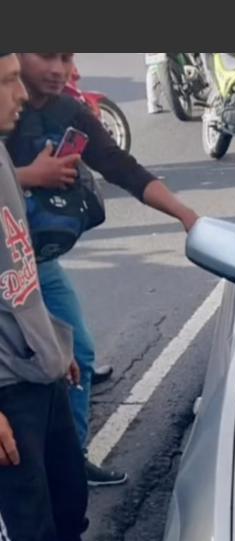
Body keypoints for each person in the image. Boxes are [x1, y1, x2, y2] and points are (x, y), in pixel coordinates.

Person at [5, 53, 201, 487]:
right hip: (6, 267)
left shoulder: (69, 111)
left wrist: (186, 216)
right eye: (46, 57)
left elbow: (121, 168)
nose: (59, 69)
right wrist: (30, 175)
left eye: (67, 57)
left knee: (78, 356)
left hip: (38, 262)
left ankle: (70, 463)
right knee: (18, 377)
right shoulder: (4, 109)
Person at [0, 52, 88, 541]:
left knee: (67, 519)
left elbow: (17, 268)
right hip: (8, 398)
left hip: (39, 374)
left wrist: (54, 342)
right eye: (8, 82)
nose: (21, 93)